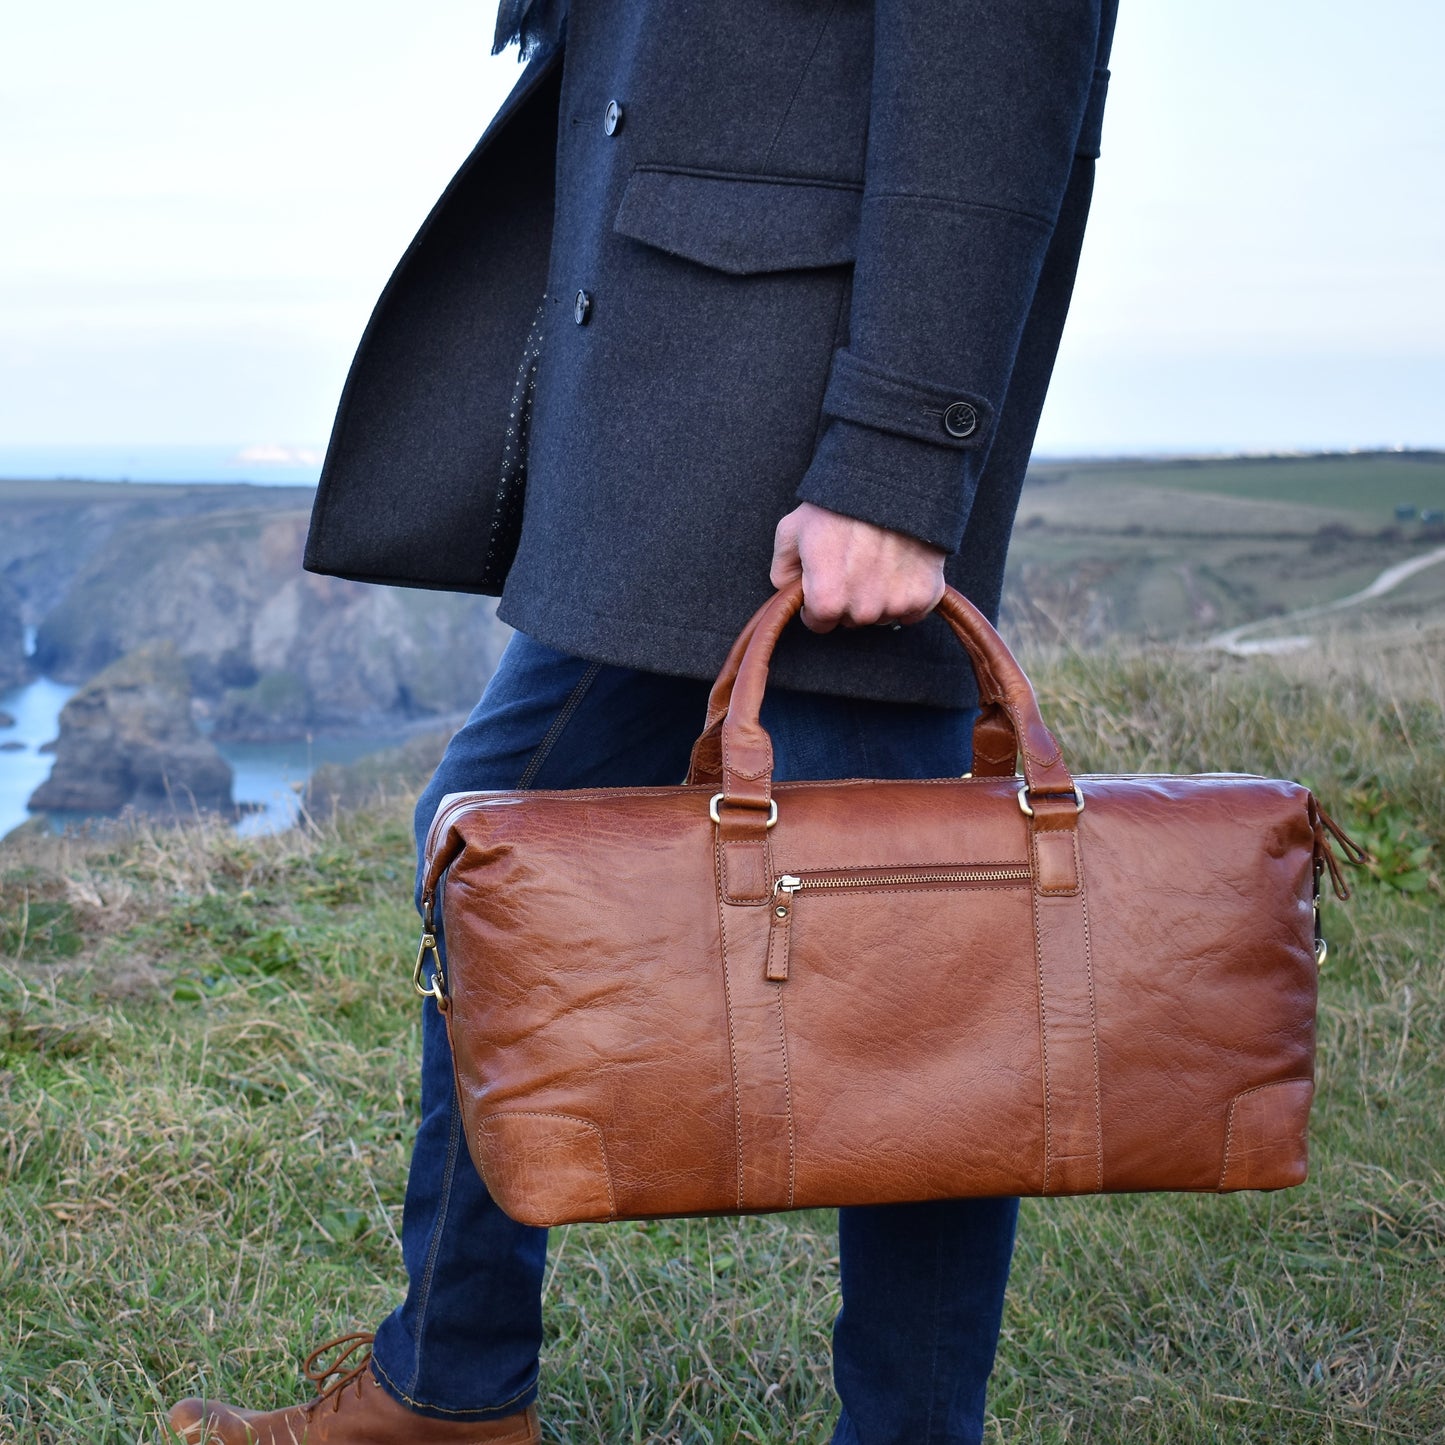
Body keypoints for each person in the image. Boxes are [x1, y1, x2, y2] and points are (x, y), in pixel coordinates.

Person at [169, 1, 1118, 1441]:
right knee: (520, 860)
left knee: (923, 967)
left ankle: (475, 1386)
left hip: (798, 415)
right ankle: (453, 1382)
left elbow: (997, 43)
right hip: (686, 407)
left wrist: (894, 458)